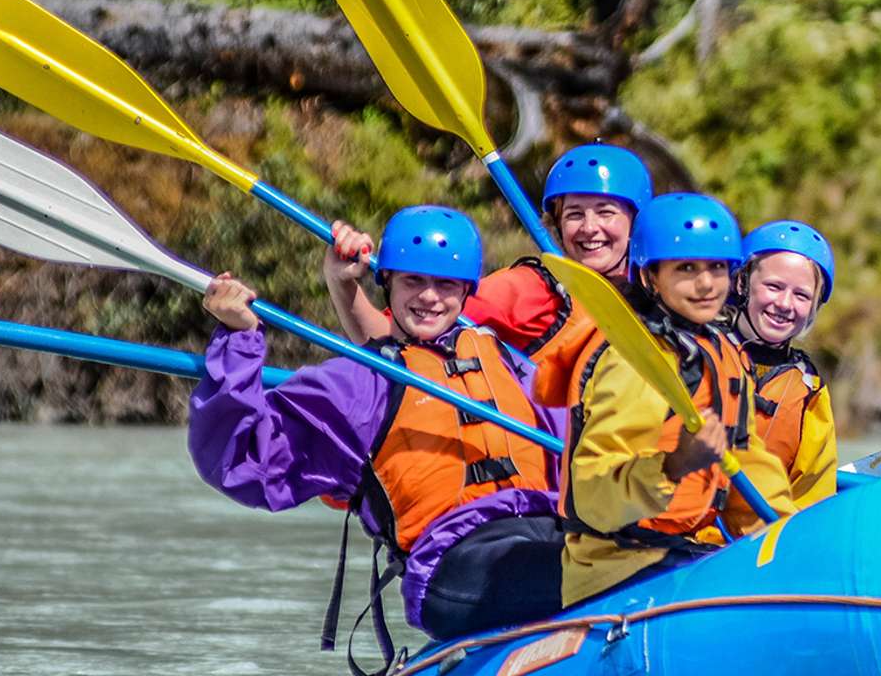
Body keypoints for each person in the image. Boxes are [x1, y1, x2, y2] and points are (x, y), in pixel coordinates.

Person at [188, 206, 567, 645]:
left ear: (467, 290)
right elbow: (243, 458)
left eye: (445, 284)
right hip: (454, 563)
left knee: (618, 551)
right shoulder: (359, 385)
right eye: (413, 281)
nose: (429, 297)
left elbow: (583, 445)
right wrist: (239, 338)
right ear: (387, 282)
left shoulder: (507, 363)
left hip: (544, 534)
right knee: (577, 570)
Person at [555, 193, 796, 608]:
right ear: (651, 277)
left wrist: (789, 540)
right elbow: (593, 496)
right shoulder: (633, 361)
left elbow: (750, 462)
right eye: (686, 269)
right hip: (616, 567)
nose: (706, 285)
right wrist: (674, 465)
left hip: (684, 554)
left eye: (716, 268)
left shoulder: (724, 353)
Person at [323, 143, 655, 357]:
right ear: (557, 224)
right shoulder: (531, 290)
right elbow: (389, 338)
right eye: (574, 214)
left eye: (606, 213)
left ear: (636, 222)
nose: (589, 227)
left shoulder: (663, 290)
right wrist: (342, 282)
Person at [730, 220, 839, 510]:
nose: (785, 304)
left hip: (759, 534)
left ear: (814, 306)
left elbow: (813, 494)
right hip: (686, 530)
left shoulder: (809, 390)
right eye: (774, 286)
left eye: (801, 295)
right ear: (742, 282)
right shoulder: (699, 354)